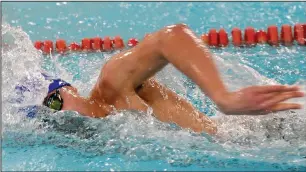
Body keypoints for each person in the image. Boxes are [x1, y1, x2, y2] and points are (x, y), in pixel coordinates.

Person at [42, 24, 304, 135]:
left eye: (54, 100)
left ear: (69, 89)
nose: (60, 112)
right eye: (49, 111)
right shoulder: (107, 126)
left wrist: (225, 98)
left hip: (266, 131)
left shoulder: (110, 85)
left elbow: (172, 35)